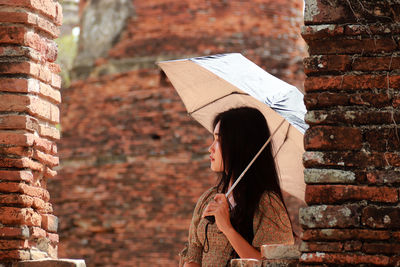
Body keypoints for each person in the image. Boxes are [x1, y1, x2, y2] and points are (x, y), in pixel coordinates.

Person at [179, 107, 294, 267]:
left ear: (239, 144)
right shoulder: (209, 198)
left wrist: (227, 228)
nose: (210, 148)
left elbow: (272, 264)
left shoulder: (267, 203)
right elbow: (194, 253)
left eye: (219, 140)